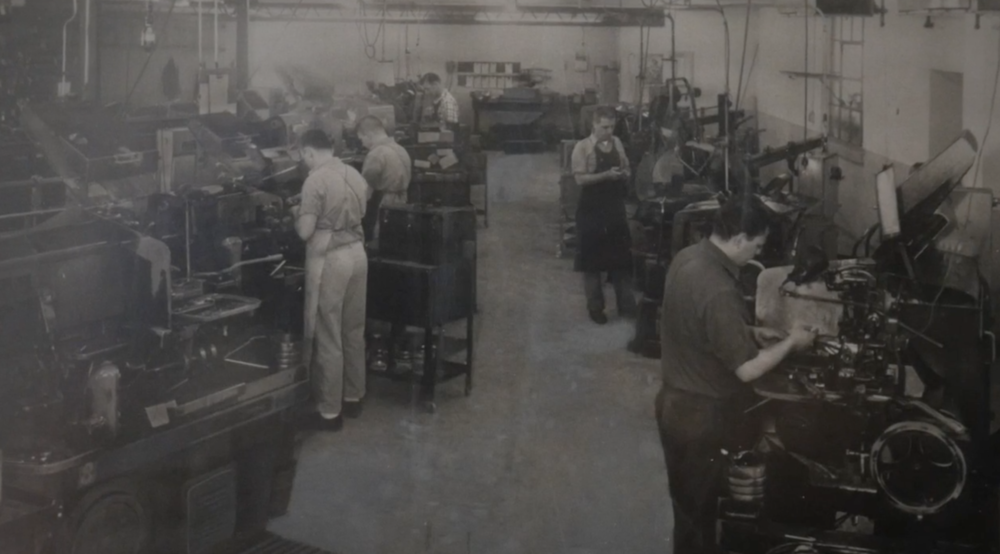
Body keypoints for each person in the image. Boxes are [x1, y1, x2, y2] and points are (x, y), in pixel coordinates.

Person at [656, 196, 817, 554]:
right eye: (756, 245)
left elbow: (697, 326)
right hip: (701, 416)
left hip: (674, 405)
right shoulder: (718, 288)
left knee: (689, 509)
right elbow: (747, 370)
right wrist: (792, 342)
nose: (755, 254)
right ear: (740, 237)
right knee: (701, 514)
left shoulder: (688, 258)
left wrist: (748, 332)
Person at [290, 129, 369, 431]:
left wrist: (297, 212)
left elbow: (304, 232)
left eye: (303, 157)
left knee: (327, 333)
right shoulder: (352, 171)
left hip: (330, 257)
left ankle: (329, 412)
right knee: (353, 329)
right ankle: (353, 396)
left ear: (309, 152)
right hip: (357, 253)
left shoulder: (315, 180)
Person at [570, 105, 637, 325]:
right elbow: (580, 179)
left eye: (612, 126)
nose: (609, 131)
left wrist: (625, 174)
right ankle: (596, 308)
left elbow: (627, 167)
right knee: (592, 263)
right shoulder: (582, 148)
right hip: (591, 210)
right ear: (594, 125)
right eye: (604, 127)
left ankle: (626, 305)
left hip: (614, 208)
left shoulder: (617, 143)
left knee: (621, 259)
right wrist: (607, 175)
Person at [357, 115, 412, 242]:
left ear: (369, 134)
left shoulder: (376, 154)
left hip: (384, 205)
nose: (363, 144)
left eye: (361, 139)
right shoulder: (401, 149)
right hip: (403, 203)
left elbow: (365, 191)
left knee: (381, 242)